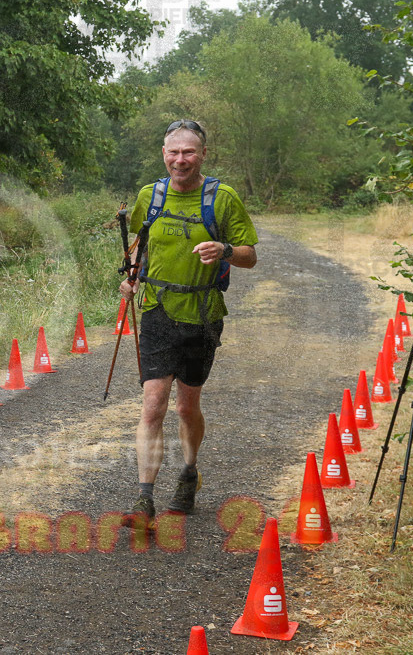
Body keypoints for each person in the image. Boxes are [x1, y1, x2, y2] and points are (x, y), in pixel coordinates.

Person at [119, 119, 257, 523]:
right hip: (157, 310)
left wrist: (226, 249)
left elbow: (250, 255)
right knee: (153, 405)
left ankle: (189, 472)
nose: (180, 160)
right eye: (173, 152)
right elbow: (139, 244)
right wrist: (130, 276)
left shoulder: (223, 198)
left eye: (189, 152)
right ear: (164, 154)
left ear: (202, 155)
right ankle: (144, 499)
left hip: (202, 313)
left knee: (186, 407)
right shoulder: (151, 195)